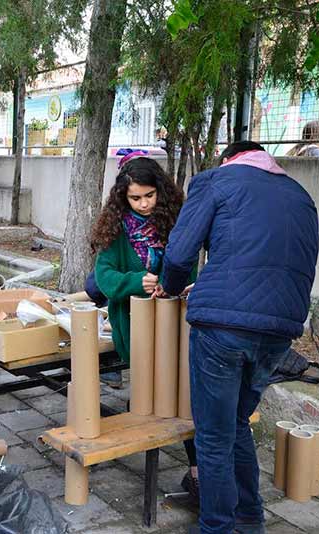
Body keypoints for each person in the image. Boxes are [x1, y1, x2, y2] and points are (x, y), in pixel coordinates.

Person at [159, 141, 318, 534]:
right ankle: (251, 519)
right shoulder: (301, 196)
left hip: (223, 330)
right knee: (236, 423)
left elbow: (179, 255)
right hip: (281, 328)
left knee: (213, 437)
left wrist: (171, 287)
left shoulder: (217, 180)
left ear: (228, 159)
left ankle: (216, 527)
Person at [92, 157, 200, 499]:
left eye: (150, 196)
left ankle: (197, 469)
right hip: (134, 325)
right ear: (123, 197)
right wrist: (137, 281)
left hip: (176, 322)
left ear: (160, 191)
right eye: (136, 198)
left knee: (183, 397)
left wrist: (183, 283)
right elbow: (104, 277)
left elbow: (190, 263)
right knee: (150, 396)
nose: (144, 204)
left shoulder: (173, 219)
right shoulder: (115, 227)